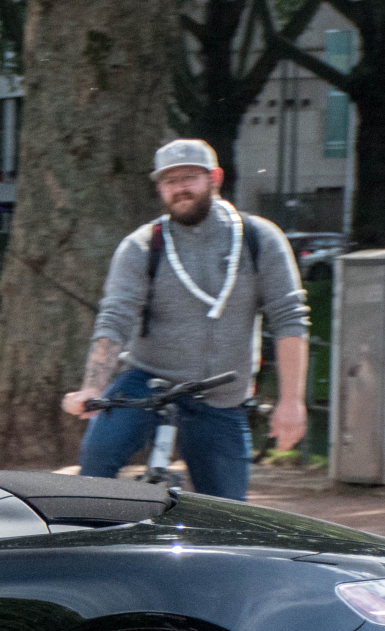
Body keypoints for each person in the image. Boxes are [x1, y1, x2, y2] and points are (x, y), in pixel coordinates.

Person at [62, 137, 309, 500]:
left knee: (228, 513)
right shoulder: (142, 246)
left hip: (222, 393)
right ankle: (84, 544)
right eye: (169, 180)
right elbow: (115, 317)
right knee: (97, 458)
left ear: (215, 178)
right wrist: (92, 389)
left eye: (189, 177)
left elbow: (289, 318)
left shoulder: (259, 239)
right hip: (148, 381)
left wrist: (291, 401)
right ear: (160, 187)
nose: (180, 188)